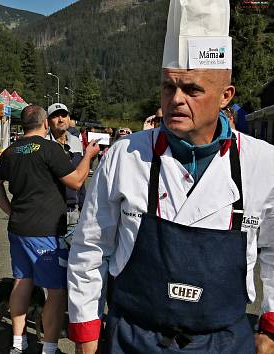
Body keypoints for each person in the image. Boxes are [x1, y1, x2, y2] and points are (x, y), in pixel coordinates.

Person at [67, 1, 274, 353]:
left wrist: (269, 330)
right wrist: (87, 338)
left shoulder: (262, 163)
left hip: (224, 342)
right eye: (168, 87)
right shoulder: (125, 156)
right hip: (132, 338)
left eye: (192, 89)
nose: (175, 100)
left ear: (225, 96)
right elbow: (90, 250)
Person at [0, 105, 99, 354]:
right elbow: (77, 180)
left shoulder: (12, 150)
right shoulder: (50, 149)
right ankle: (49, 347)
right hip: (46, 230)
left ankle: (18, 342)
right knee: (56, 291)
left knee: (22, 281)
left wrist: (9, 210)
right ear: (45, 124)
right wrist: (89, 155)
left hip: (18, 227)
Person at [47, 102, 86, 224]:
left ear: (69, 119)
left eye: (63, 115)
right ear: (47, 121)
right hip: (49, 211)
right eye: (55, 116)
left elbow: (80, 177)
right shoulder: (43, 144)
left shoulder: (75, 142)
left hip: (73, 212)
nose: (60, 119)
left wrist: (83, 206)